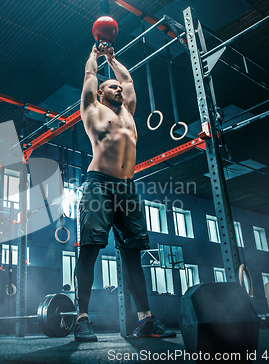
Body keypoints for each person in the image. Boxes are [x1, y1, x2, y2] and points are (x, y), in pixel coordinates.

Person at [74, 42, 176, 342]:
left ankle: (145, 319)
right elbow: (89, 76)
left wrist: (113, 59)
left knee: (133, 253)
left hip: (127, 189)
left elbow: (129, 81)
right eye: (111, 87)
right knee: (90, 249)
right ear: (101, 93)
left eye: (119, 88)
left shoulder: (129, 114)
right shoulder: (92, 110)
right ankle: (81, 318)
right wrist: (94, 56)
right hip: (98, 184)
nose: (118, 89)